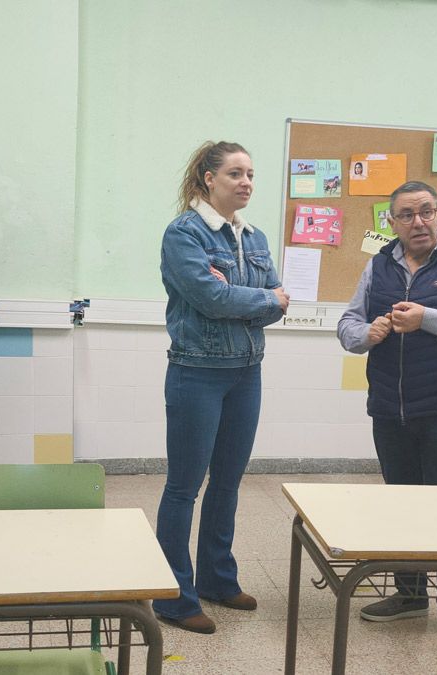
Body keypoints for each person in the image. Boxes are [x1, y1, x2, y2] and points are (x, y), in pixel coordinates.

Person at [336, 180, 437, 651]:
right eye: (407, 215)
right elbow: (347, 324)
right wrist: (366, 333)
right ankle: (410, 593)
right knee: (401, 503)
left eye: (427, 211)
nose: (419, 222)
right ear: (391, 223)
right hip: (390, 409)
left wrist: (428, 318)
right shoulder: (378, 264)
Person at [155, 141, 290, 634]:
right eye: (236, 173)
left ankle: (216, 578)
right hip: (197, 371)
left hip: (246, 371)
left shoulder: (252, 237)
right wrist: (259, 298)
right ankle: (173, 596)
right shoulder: (183, 233)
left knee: (228, 483)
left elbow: (278, 303)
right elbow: (211, 299)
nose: (247, 182)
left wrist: (249, 297)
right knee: (183, 487)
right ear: (208, 178)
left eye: (251, 173)